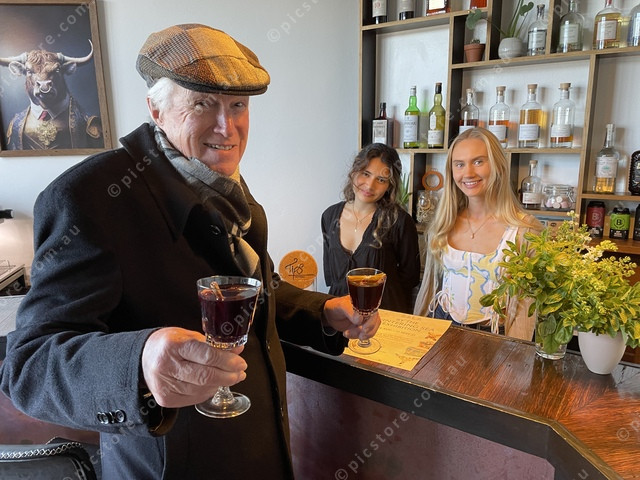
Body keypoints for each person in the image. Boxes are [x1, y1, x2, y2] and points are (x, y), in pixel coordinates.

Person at [0, 24, 380, 480]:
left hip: (261, 455)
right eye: (202, 104)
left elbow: (249, 294)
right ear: (156, 109)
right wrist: (138, 362)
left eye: (237, 106)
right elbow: (29, 366)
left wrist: (322, 313)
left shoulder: (226, 186)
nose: (227, 127)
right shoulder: (89, 198)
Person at [413, 127, 541, 340]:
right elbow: (429, 289)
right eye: (459, 164)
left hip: (495, 336)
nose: (468, 173)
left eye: (478, 162)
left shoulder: (523, 230)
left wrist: (516, 350)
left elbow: (527, 306)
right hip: (442, 327)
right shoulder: (445, 222)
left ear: (498, 165)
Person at [321, 143, 420, 314]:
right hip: (339, 317)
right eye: (365, 174)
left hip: (384, 317)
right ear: (354, 172)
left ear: (390, 185)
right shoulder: (329, 216)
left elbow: (409, 279)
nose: (369, 185)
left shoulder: (400, 221)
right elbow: (331, 276)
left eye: (381, 180)